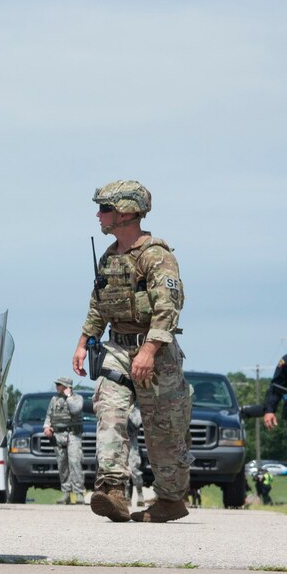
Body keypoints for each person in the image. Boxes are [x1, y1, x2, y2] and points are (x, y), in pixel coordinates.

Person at [72, 180, 189, 522]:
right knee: (108, 411)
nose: (99, 215)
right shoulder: (110, 257)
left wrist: (150, 351)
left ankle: (170, 499)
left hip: (156, 353)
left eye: (105, 209)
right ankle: (112, 491)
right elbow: (98, 306)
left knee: (162, 429)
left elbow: (168, 307)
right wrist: (83, 343)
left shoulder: (156, 256)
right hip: (118, 349)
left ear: (125, 213)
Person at [47, 377, 86, 504]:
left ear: (67, 386)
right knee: (62, 465)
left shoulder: (77, 398)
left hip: (73, 434)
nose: (57, 387)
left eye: (60, 385)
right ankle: (66, 492)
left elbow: (75, 409)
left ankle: (79, 493)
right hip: (58, 435)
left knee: (75, 463)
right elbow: (49, 415)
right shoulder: (54, 400)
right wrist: (47, 427)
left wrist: (69, 396)